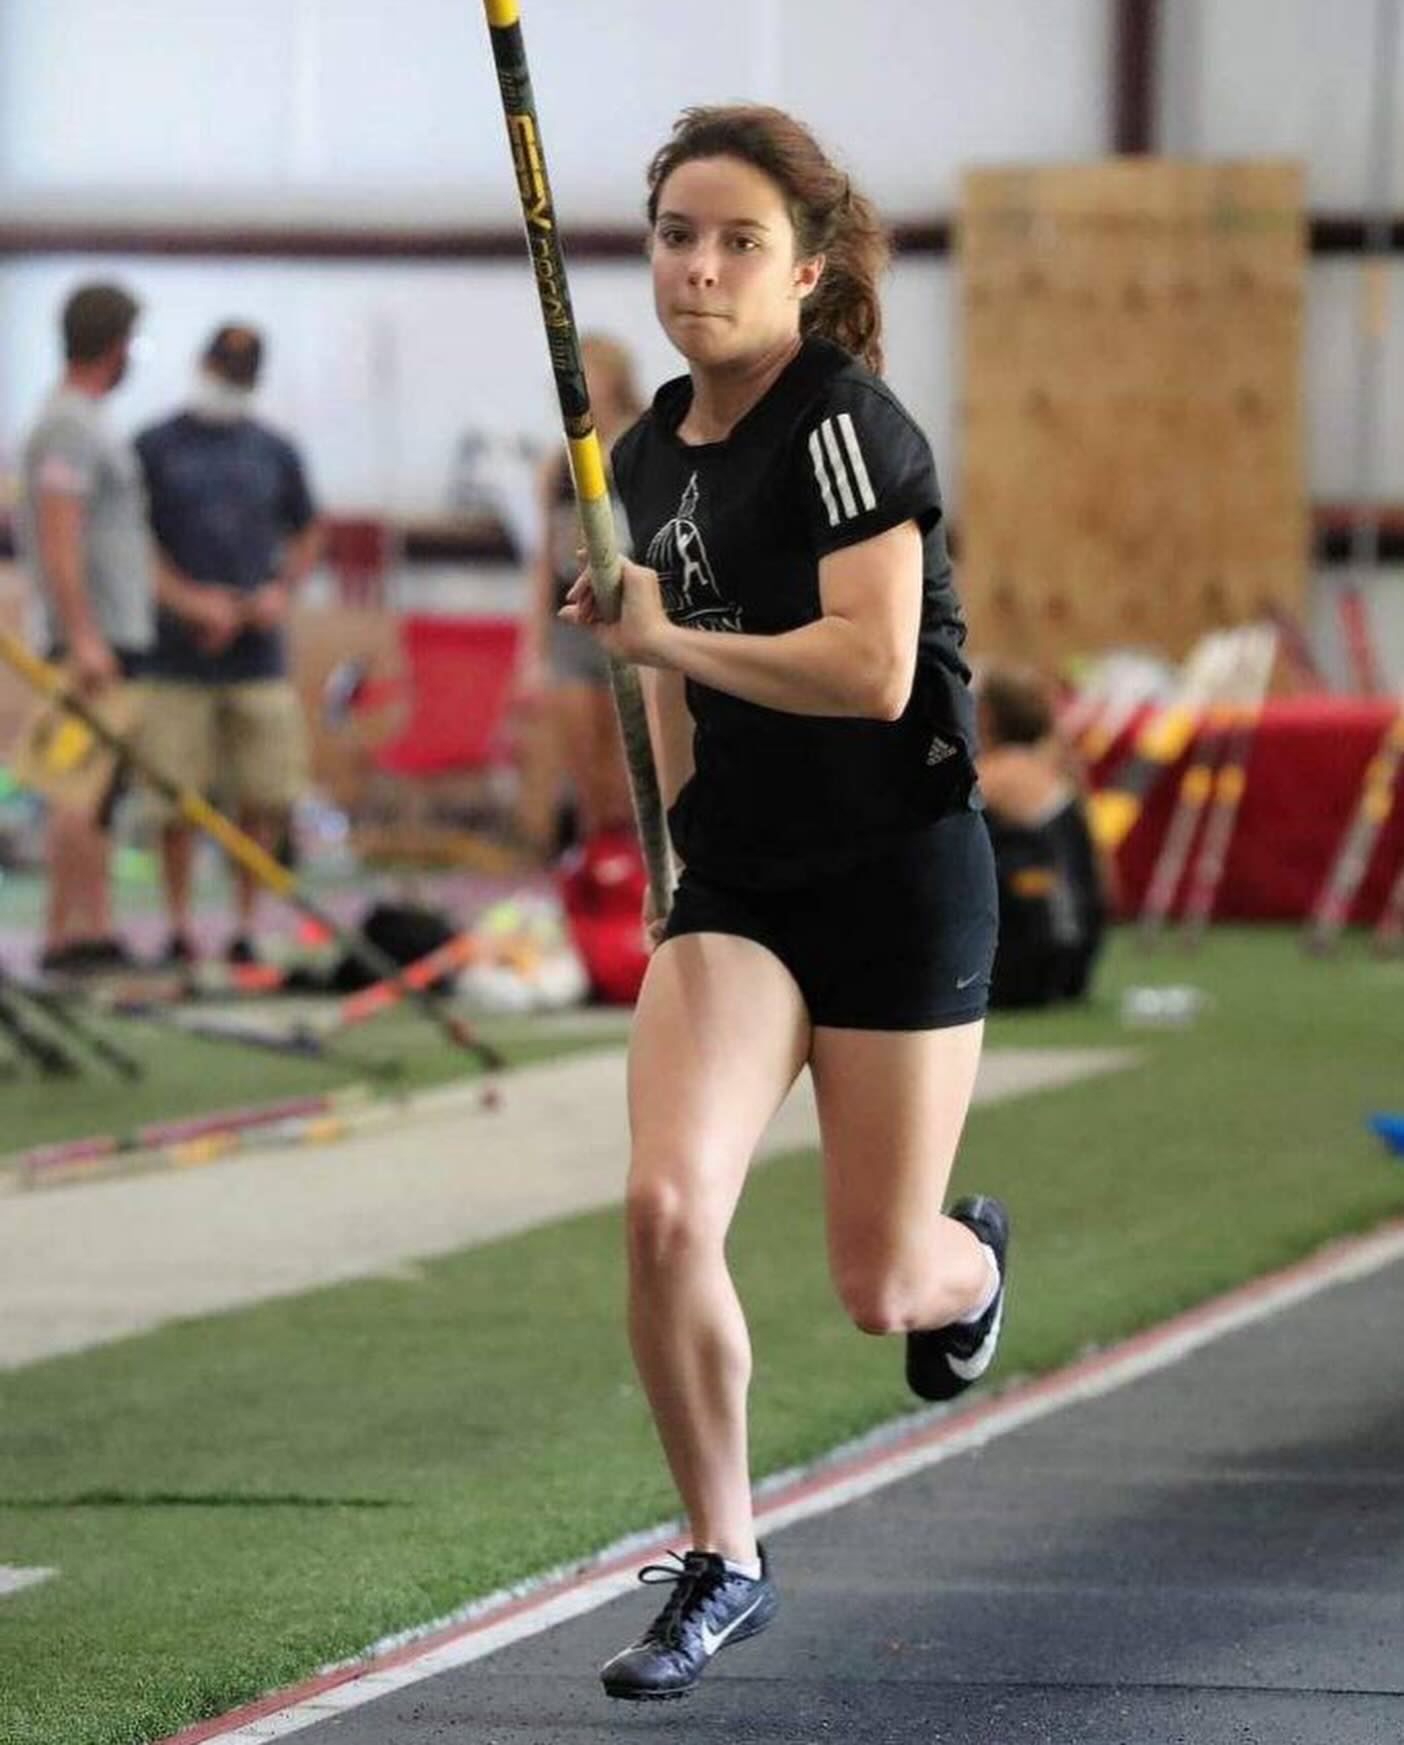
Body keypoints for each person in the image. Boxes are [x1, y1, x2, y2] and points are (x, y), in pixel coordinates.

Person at [558, 105, 1010, 1702]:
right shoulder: (636, 453)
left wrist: (662, 640)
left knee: (882, 1282)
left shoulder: (848, 425)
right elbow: (671, 691)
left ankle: (973, 1262)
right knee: (666, 1207)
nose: (699, 267)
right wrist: (679, 845)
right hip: (740, 889)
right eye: (678, 233)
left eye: (739, 240)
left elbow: (871, 672)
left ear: (807, 272)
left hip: (897, 875)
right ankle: (723, 1555)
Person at [135, 324, 322, 964]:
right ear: (201, 363)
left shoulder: (274, 450)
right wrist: (189, 601)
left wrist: (278, 591)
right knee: (175, 799)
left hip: (256, 654)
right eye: (224, 370)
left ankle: (246, 924)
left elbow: (306, 531)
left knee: (263, 795)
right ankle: (179, 924)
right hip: (174, 656)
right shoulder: (155, 447)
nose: (229, 383)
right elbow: (134, 541)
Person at [17, 281, 151, 974]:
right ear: (114, 344)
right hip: (86, 641)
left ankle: (89, 928)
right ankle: (72, 938)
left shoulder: (89, 420)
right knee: (78, 786)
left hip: (110, 633)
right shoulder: (69, 425)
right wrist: (85, 636)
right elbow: (59, 539)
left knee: (99, 793)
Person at [516, 333, 640, 849]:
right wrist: (530, 652)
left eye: (592, 376)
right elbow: (544, 561)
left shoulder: (641, 449)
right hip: (572, 622)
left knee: (625, 768)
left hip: (629, 619)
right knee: (584, 765)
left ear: (615, 381)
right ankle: (594, 868)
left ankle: (636, 872)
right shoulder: (556, 466)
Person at [976, 662, 1106, 1008]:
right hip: (1076, 957)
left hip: (1028, 959)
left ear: (986, 715)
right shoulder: (1055, 770)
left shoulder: (995, 774)